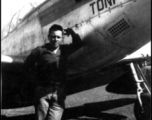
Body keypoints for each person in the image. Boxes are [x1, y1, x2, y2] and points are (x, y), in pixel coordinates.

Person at [24, 24, 83, 120]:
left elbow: (79, 44)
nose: (55, 39)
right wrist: (36, 85)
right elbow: (26, 66)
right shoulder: (40, 51)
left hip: (59, 93)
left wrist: (72, 32)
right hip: (43, 93)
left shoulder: (65, 50)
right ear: (48, 37)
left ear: (62, 38)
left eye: (58, 37)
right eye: (53, 36)